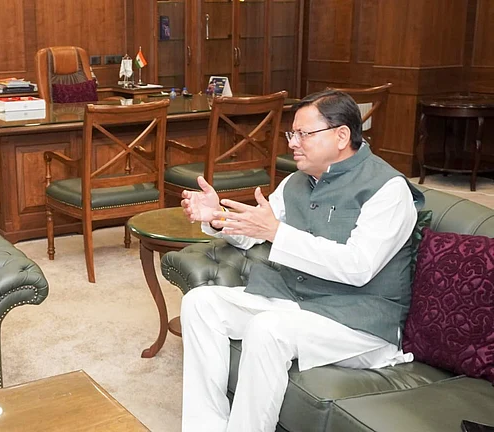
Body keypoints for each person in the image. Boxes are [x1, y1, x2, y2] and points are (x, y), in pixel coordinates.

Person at [179, 90, 425, 432]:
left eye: (304, 134)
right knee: (201, 303)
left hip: (359, 320)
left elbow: (358, 267)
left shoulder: (388, 189)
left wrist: (277, 232)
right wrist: (218, 215)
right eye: (291, 134)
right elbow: (257, 231)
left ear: (341, 136)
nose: (293, 143)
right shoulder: (297, 181)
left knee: (267, 329)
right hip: (299, 304)